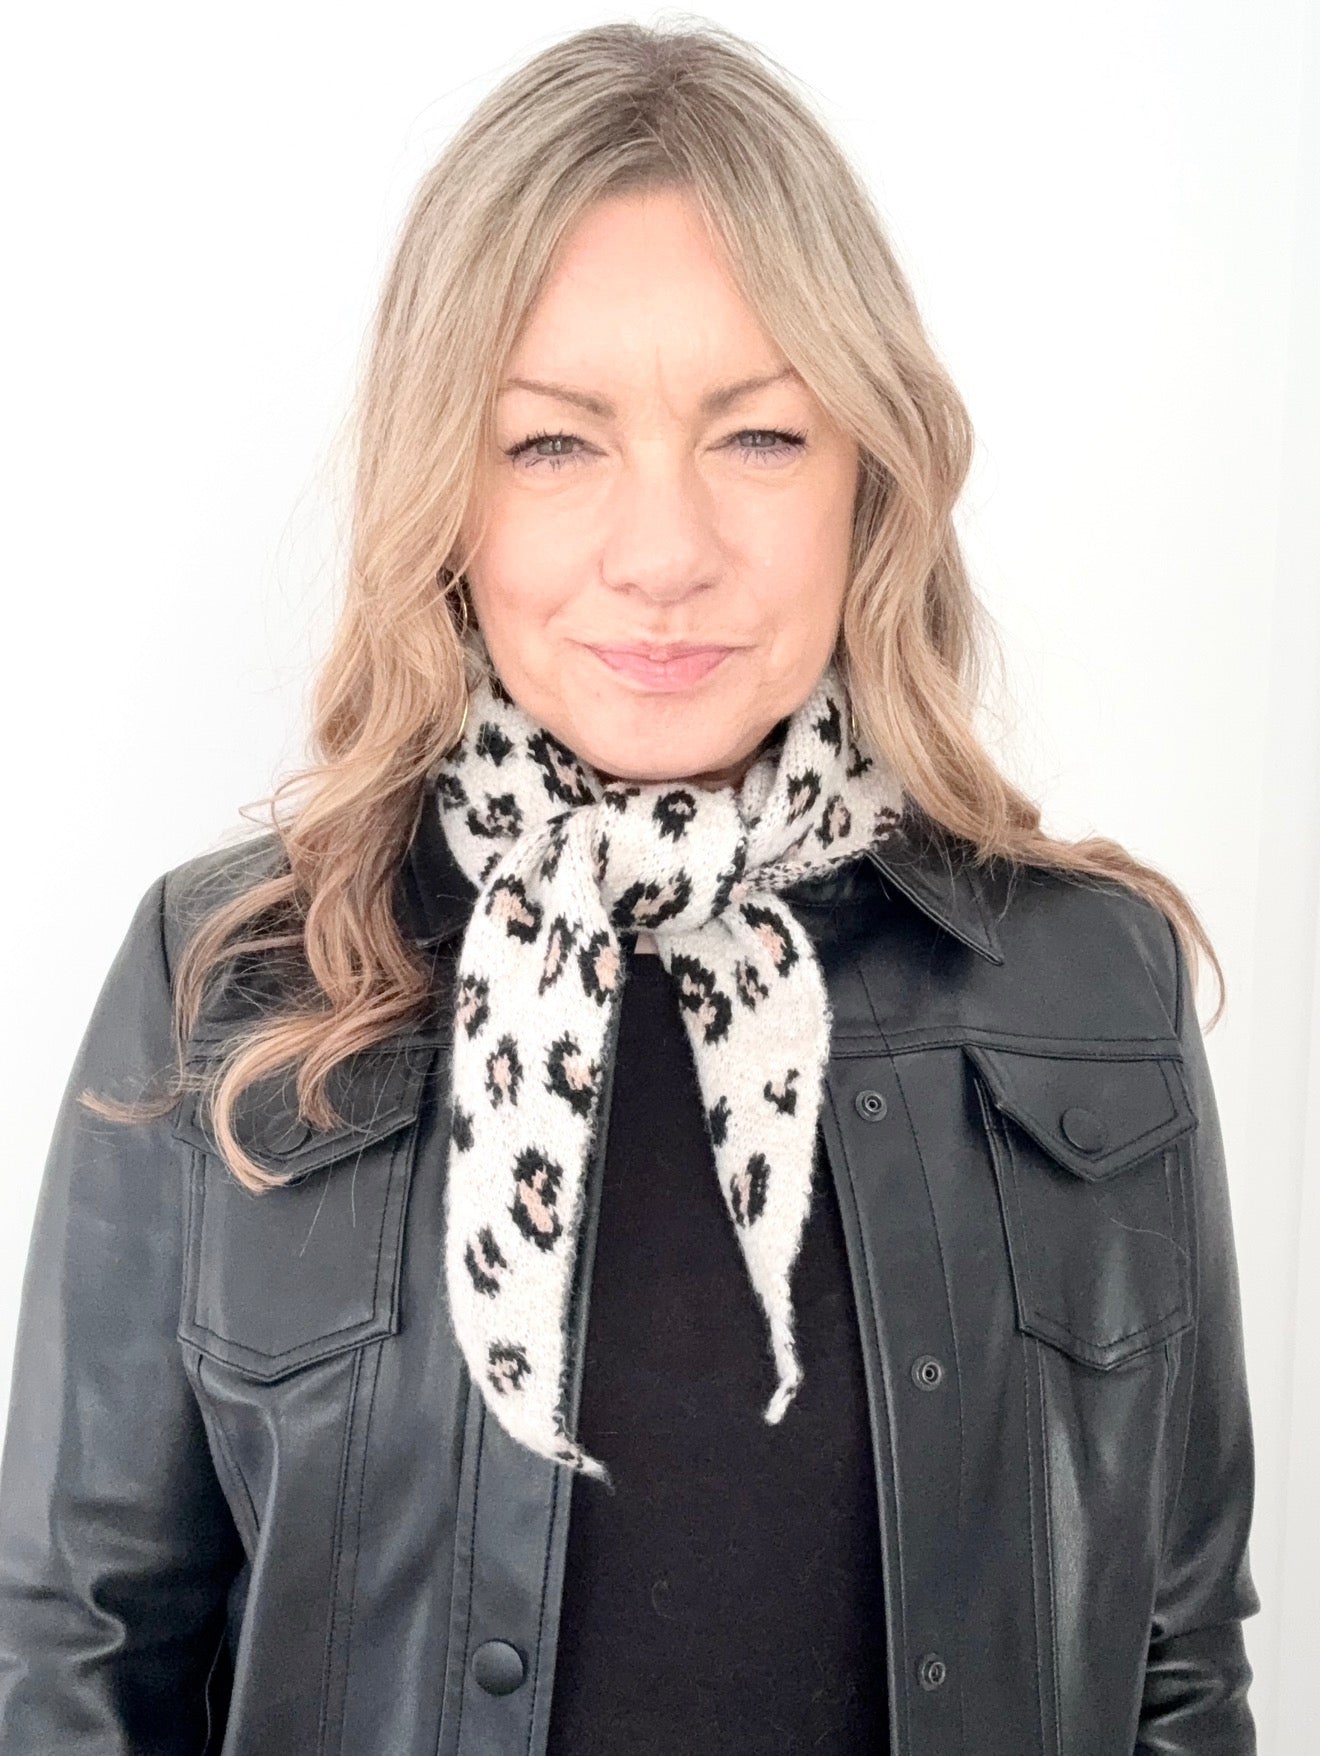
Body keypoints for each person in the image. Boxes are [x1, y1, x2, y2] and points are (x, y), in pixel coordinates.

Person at [0, 19, 1259, 1755]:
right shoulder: (229, 979)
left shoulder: (1086, 984)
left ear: (867, 482)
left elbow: (1178, 1665)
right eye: (553, 446)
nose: (664, 555)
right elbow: (77, 1664)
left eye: (759, 438)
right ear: (447, 495)